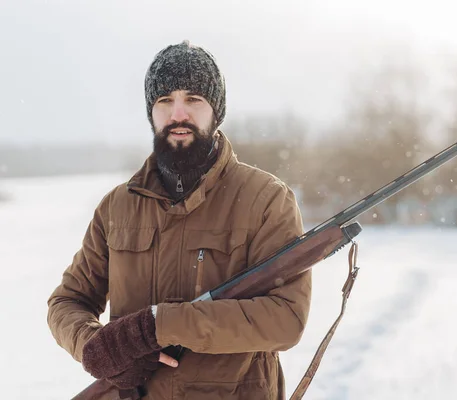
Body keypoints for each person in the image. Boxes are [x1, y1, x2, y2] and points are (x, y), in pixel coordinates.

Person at [47, 40, 312, 400]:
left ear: (215, 111)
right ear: (151, 112)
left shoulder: (265, 199)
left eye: (193, 99)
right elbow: (67, 301)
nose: (178, 114)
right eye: (164, 101)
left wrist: (160, 325)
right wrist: (94, 345)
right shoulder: (117, 207)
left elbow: (285, 321)